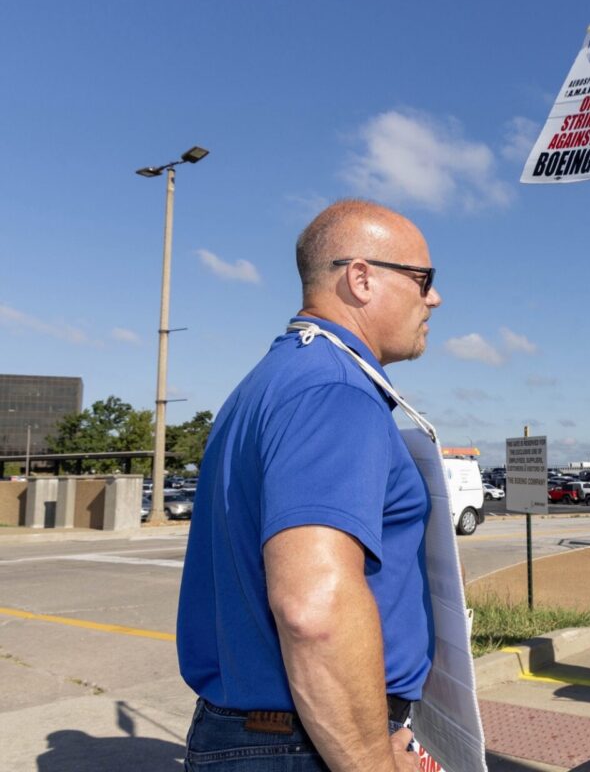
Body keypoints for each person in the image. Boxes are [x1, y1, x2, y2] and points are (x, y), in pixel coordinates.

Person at [177, 199, 442, 771]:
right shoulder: (334, 391)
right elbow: (313, 610)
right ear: (362, 278)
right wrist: (371, 759)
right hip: (304, 743)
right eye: (424, 279)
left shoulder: (274, 380)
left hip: (274, 732)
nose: (434, 298)